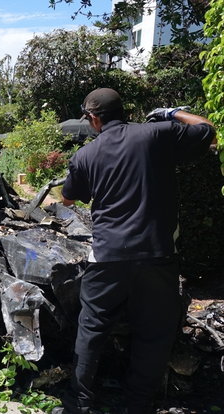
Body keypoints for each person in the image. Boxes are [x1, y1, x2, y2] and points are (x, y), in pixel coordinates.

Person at [59, 88, 216, 413]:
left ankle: (82, 404)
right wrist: (172, 113)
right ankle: (137, 405)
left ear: (93, 118)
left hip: (108, 257)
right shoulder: (157, 133)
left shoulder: (86, 154)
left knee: (91, 329)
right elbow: (207, 130)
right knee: (153, 334)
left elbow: (67, 199)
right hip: (156, 256)